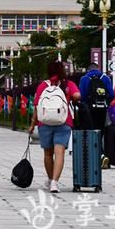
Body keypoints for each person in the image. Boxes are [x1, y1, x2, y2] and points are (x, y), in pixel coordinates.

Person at [28, 61, 81, 193]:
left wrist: (32, 123)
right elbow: (77, 96)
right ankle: (55, 183)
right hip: (64, 122)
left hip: (44, 122)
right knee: (59, 152)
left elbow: (36, 106)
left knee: (47, 153)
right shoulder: (67, 84)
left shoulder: (43, 85)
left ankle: (50, 178)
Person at [78, 63, 114, 168]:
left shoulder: (84, 78)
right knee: (100, 132)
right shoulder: (105, 78)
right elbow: (111, 95)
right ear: (98, 68)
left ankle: (99, 156)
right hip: (102, 110)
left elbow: (82, 96)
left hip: (89, 111)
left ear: (88, 69)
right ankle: (101, 155)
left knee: (90, 132)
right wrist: (105, 103)